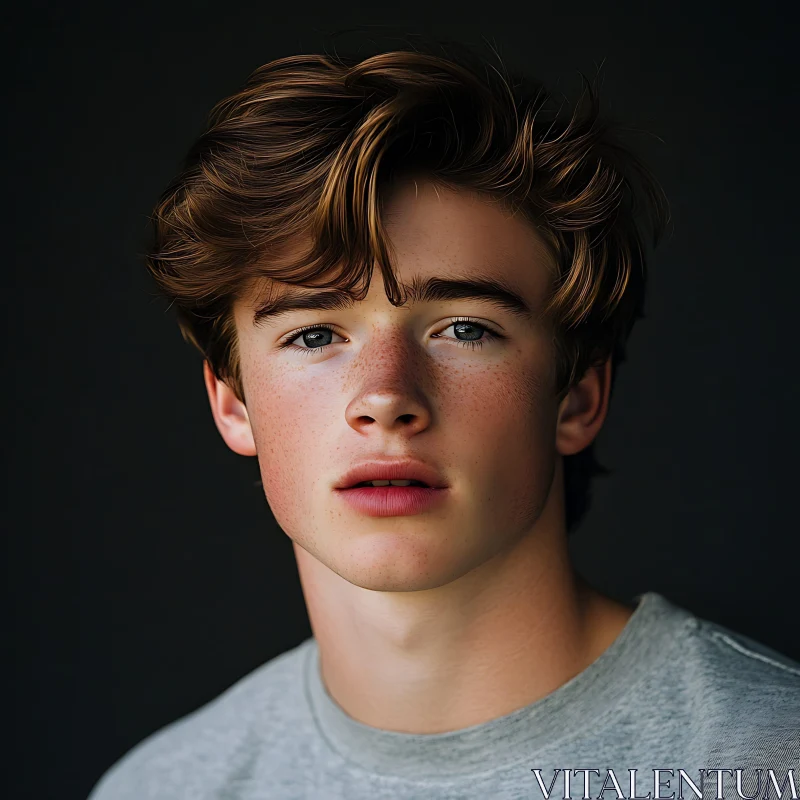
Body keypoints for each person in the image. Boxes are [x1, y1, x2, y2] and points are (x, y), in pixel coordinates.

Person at [89, 40, 799, 800]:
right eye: (315, 334)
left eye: (465, 328)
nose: (386, 396)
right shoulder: (158, 788)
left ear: (579, 397)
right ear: (232, 404)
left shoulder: (771, 761)